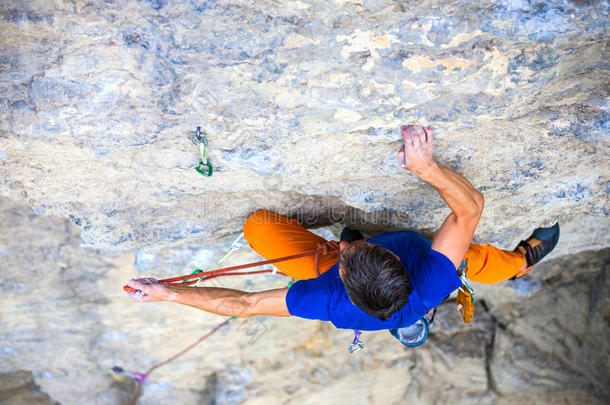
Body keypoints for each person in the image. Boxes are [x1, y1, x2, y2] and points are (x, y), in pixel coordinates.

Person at [126, 125, 559, 345]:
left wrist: (170, 293)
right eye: (356, 249)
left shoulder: (327, 300)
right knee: (470, 262)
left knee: (260, 227)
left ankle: (517, 263)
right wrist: (428, 169)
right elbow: (470, 207)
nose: (348, 243)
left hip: (329, 268)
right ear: (392, 261)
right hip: (420, 255)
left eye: (350, 251)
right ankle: (521, 262)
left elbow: (246, 304)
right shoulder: (430, 282)